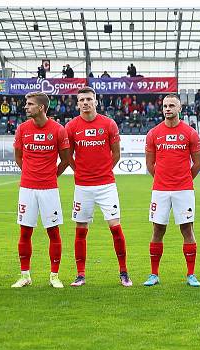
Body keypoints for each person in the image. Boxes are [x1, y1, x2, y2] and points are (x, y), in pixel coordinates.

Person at [65, 86, 130, 287]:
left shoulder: (109, 124)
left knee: (115, 227)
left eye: (89, 99)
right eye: (81, 100)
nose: (85, 103)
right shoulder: (71, 127)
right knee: (81, 229)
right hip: (82, 186)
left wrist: (104, 171)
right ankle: (80, 274)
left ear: (96, 102)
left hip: (106, 185)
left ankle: (124, 272)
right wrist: (80, 171)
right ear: (77, 104)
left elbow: (116, 154)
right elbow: (68, 156)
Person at [142, 94, 200, 287]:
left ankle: (191, 274)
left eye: (171, 106)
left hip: (184, 190)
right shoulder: (153, 133)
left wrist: (183, 180)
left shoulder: (190, 132)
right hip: (160, 190)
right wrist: (162, 179)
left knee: (187, 229)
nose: (167, 109)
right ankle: (154, 274)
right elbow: (150, 164)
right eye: (165, 106)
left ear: (180, 108)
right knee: (158, 229)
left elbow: (198, 163)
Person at [11, 92, 71, 289]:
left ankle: (54, 276)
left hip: (49, 189)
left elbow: (65, 160)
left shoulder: (58, 130)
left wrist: (51, 176)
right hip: (27, 188)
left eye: (30, 104)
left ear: (42, 108)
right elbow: (18, 157)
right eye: (26, 104)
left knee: (53, 232)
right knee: (25, 232)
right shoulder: (22, 129)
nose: (26, 107)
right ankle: (25, 275)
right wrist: (30, 173)